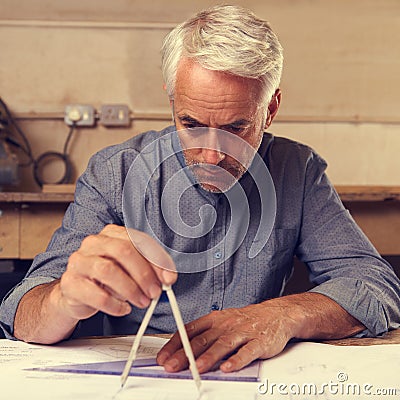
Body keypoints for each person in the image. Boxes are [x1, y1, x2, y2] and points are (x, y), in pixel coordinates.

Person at [1, 5, 399, 375]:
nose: (211, 154)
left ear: (271, 108)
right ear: (172, 101)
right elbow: (20, 313)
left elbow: (375, 286)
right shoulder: (116, 172)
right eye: (190, 123)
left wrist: (280, 316)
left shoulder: (298, 170)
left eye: (235, 128)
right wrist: (63, 301)